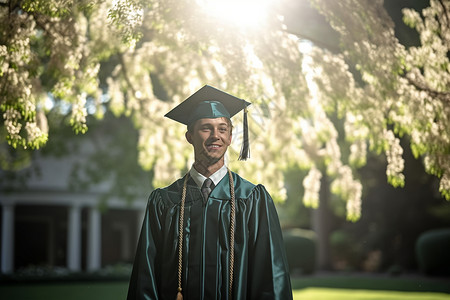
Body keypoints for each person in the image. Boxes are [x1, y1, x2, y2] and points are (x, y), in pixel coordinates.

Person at [127, 85, 292, 300]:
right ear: (189, 137)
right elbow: (145, 277)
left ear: (231, 137)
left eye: (222, 129)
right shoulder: (164, 201)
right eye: (206, 128)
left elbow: (271, 276)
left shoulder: (252, 199)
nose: (216, 136)